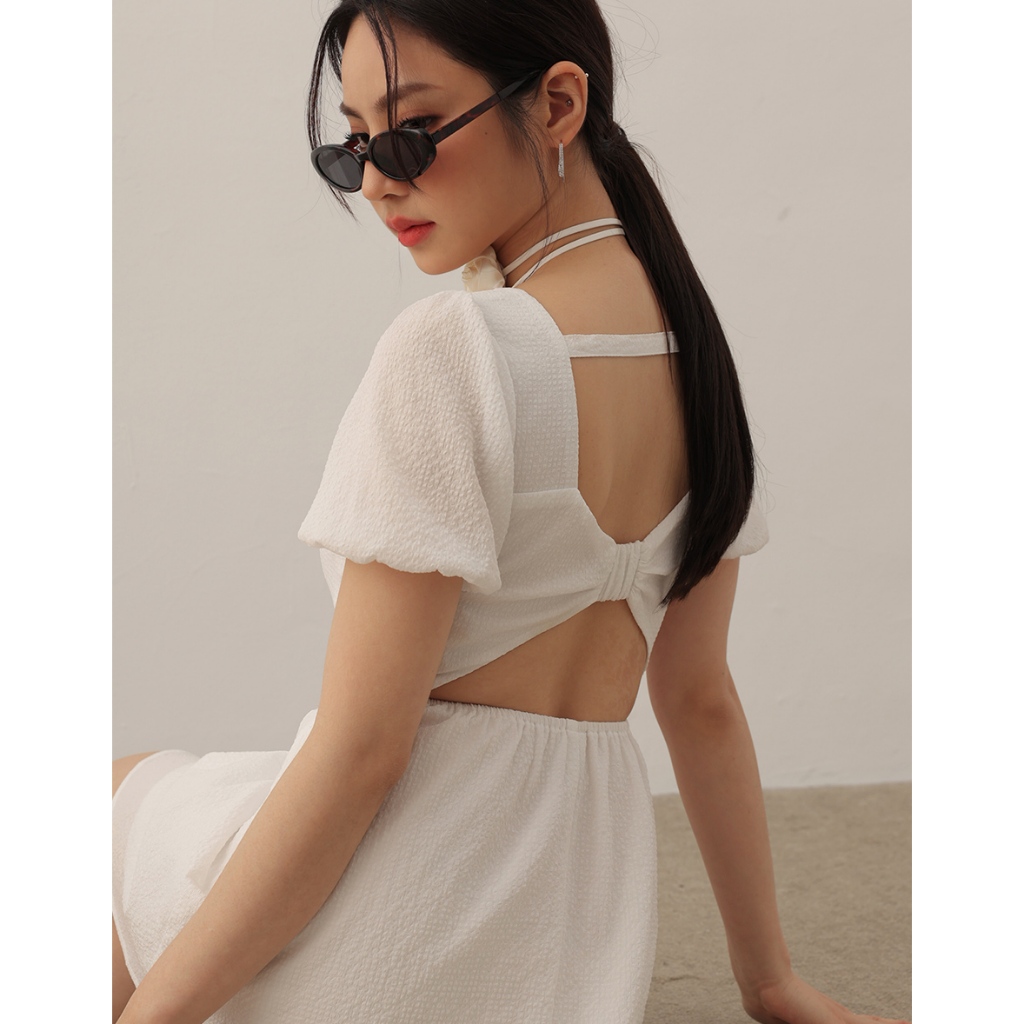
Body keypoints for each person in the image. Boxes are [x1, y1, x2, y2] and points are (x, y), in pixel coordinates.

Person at [112, 2, 909, 1022]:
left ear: (559, 103)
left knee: (109, 807)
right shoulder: (696, 358)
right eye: (353, 148)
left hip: (394, 935)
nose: (379, 181)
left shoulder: (455, 352)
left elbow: (361, 757)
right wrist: (770, 981)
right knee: (149, 794)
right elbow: (700, 699)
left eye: (411, 131)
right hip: (565, 952)